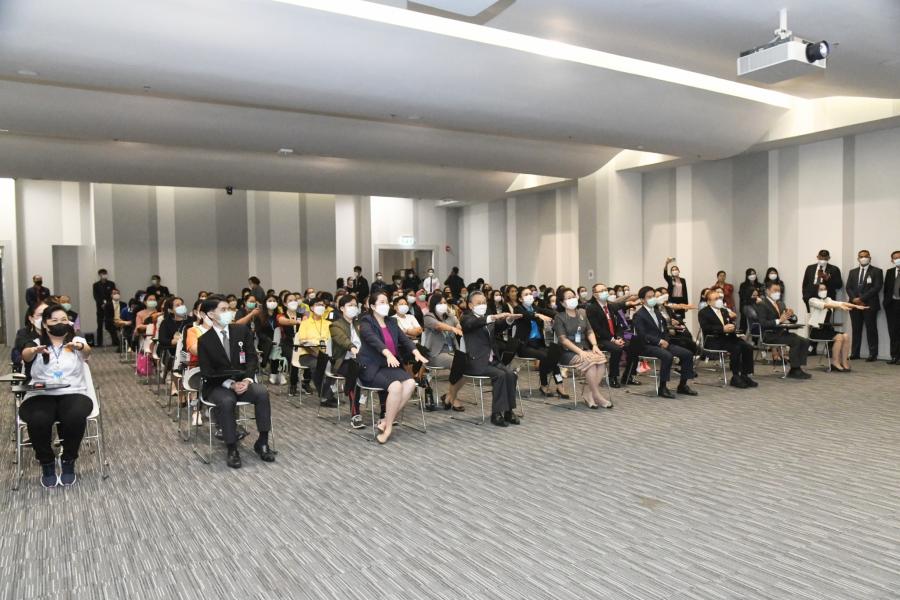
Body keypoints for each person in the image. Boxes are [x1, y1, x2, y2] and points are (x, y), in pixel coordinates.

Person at [19, 304, 94, 487]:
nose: (60, 323)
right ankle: (47, 462)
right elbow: (26, 355)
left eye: (63, 319)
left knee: (75, 415)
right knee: (38, 419)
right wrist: (34, 351)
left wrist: (79, 346)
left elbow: (87, 351)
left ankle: (68, 459)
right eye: (54, 320)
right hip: (41, 394)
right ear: (45, 324)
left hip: (73, 391)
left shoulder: (76, 340)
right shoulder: (36, 342)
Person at [197, 296, 275, 468]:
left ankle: (262, 442)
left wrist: (247, 380)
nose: (229, 313)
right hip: (218, 386)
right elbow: (207, 372)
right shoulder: (205, 341)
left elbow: (252, 358)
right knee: (227, 400)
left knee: (262, 392)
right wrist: (230, 384)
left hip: (243, 382)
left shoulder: (241, 331)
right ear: (211, 314)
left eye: (229, 309)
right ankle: (232, 448)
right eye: (223, 310)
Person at [357, 291, 428, 444]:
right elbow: (373, 339)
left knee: (410, 383)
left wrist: (416, 353)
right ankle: (388, 428)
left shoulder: (391, 322)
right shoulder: (366, 321)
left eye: (386, 301)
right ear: (372, 306)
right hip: (371, 366)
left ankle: (386, 420)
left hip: (389, 366)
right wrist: (388, 353)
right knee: (396, 387)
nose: (386, 305)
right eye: (381, 302)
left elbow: (405, 340)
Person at [461, 291, 522, 427]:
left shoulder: (487, 317)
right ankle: (496, 413)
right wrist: (493, 317)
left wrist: (509, 319)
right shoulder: (466, 317)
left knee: (511, 374)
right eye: (479, 303)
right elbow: (474, 324)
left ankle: (508, 411)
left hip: (492, 359)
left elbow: (498, 327)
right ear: (470, 305)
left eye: (484, 302)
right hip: (476, 361)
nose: (482, 305)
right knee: (500, 375)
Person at [633, 286, 697, 398]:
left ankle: (682, 385)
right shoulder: (639, 315)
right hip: (647, 346)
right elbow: (643, 334)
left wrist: (665, 340)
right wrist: (659, 341)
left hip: (663, 343)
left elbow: (664, 330)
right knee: (667, 356)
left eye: (653, 296)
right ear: (642, 300)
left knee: (687, 354)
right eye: (649, 297)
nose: (652, 299)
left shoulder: (657, 312)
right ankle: (662, 387)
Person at [554, 288, 611, 409]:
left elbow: (589, 331)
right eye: (568, 298)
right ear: (562, 303)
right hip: (567, 352)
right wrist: (580, 352)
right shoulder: (559, 317)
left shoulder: (582, 313)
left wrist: (594, 345)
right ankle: (597, 395)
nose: (572, 299)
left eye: (573, 296)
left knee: (601, 361)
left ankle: (589, 393)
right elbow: (563, 340)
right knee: (591, 363)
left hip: (584, 347)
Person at [512, 287, 568, 397]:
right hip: (524, 345)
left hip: (538, 343)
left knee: (553, 355)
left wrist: (560, 315)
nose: (529, 296)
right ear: (520, 299)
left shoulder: (535, 308)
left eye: (530, 294)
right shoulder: (518, 309)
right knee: (545, 356)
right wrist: (537, 315)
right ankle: (544, 384)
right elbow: (526, 315)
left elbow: (549, 312)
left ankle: (559, 384)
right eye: (526, 294)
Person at [698, 289, 757, 388]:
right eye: (716, 299)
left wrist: (733, 327)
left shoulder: (724, 311)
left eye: (719, 298)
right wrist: (722, 329)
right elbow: (706, 328)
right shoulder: (703, 313)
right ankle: (735, 376)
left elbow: (730, 323)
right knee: (736, 348)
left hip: (729, 337)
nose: (719, 300)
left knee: (748, 347)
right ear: (709, 302)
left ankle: (745, 375)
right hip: (714, 340)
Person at [755, 281, 811, 379]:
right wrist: (779, 320)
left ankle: (797, 367)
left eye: (779, 291)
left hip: (781, 333)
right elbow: (763, 323)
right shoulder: (762, 304)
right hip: (769, 334)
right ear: (767, 291)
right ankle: (795, 369)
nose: (778, 293)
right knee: (795, 340)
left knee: (805, 341)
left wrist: (791, 315)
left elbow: (792, 320)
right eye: (775, 290)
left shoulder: (781, 304)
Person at [585, 283, 638, 388]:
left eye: (605, 290)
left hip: (616, 336)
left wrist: (619, 337)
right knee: (616, 349)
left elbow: (619, 323)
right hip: (600, 338)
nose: (605, 292)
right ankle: (613, 377)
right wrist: (613, 339)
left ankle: (628, 376)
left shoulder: (612, 306)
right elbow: (596, 329)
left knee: (636, 341)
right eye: (601, 291)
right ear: (595, 294)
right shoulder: (591, 308)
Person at [807, 282, 867, 372]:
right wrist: (840, 306)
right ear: (816, 291)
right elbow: (824, 306)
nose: (824, 291)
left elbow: (841, 303)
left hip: (827, 329)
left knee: (846, 336)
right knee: (839, 337)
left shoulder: (828, 299)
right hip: (816, 331)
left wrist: (856, 306)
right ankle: (835, 362)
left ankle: (844, 362)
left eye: (825, 289)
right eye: (821, 289)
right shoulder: (812, 300)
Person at [422, 293, 466, 411]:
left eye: (444, 303)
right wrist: (452, 328)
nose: (443, 305)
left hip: (453, 351)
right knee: (459, 364)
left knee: (467, 367)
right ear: (433, 305)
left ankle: (449, 396)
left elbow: (458, 324)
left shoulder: (450, 316)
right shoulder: (428, 316)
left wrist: (458, 325)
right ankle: (453, 398)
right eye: (439, 303)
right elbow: (438, 326)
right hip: (435, 354)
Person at [330, 295, 365, 429]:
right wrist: (353, 348)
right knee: (354, 373)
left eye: (355, 305)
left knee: (381, 370)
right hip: (344, 362)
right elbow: (343, 340)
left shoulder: (360, 324)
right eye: (350, 305)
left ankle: (384, 412)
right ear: (342, 308)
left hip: (362, 360)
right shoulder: (335, 325)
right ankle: (355, 414)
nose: (353, 308)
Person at [846, 249, 884, 361]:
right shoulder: (852, 272)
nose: (863, 258)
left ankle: (873, 354)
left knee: (871, 329)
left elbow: (877, 287)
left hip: (870, 304)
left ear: (869, 258)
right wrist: (854, 299)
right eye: (861, 256)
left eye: (866, 256)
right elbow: (848, 287)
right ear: (858, 259)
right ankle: (855, 353)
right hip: (854, 305)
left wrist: (861, 299)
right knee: (856, 329)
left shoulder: (877, 271)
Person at [294, 294, 332, 402]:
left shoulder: (329, 323)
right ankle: (325, 396)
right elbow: (303, 341)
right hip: (308, 354)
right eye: (318, 305)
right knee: (317, 365)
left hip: (325, 354)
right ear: (311, 308)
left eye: (322, 305)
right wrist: (315, 352)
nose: (321, 307)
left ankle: (327, 393)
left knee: (335, 366)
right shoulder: (305, 323)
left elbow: (331, 341)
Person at [277, 293, 304, 396]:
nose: (293, 302)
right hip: (287, 344)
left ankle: (306, 382)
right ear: (285, 303)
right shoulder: (281, 315)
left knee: (310, 355)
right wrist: (296, 322)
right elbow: (283, 321)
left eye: (295, 300)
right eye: (290, 300)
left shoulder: (302, 316)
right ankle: (293, 384)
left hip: (301, 344)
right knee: (293, 358)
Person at [13, 302, 48, 378]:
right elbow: (27, 353)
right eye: (41, 315)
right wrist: (33, 350)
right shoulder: (24, 333)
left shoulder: (57, 333)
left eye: (48, 314)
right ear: (31, 319)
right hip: (33, 378)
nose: (45, 318)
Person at [92, 268, 118, 348]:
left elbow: (113, 294)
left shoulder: (111, 284)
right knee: (100, 325)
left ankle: (115, 341)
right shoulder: (96, 285)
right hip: (100, 308)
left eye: (105, 274)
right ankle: (99, 343)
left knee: (111, 324)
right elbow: (95, 296)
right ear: (99, 275)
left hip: (110, 307)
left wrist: (108, 304)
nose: (104, 275)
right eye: (102, 274)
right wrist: (102, 304)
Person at [885, 250, 900, 365]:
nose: (897, 260)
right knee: (893, 331)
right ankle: (894, 356)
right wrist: (886, 303)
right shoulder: (889, 272)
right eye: (895, 258)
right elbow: (886, 289)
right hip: (892, 304)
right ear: (892, 260)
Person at [738, 268, 762, 333]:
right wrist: (752, 295)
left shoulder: (759, 285)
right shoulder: (743, 285)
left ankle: (754, 334)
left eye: (754, 274)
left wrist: (756, 296)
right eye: (750, 274)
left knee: (758, 317)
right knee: (754, 315)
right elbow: (742, 296)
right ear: (747, 275)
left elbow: (762, 295)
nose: (752, 275)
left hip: (758, 305)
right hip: (747, 305)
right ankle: (748, 333)